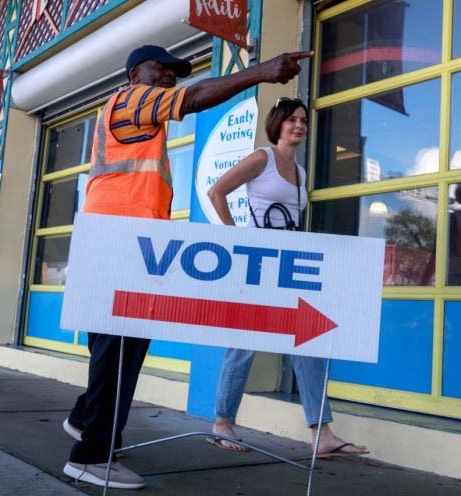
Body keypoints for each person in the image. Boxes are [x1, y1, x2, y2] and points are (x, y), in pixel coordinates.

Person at [60, 45, 313, 489]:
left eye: (173, 75)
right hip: (122, 239)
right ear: (136, 69)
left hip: (118, 237)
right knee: (120, 351)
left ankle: (86, 420)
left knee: (112, 349)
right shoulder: (132, 96)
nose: (168, 80)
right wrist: (262, 72)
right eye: (162, 70)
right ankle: (90, 456)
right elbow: (193, 99)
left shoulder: (127, 113)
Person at [205, 98, 368, 458]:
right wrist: (237, 240)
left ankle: (321, 433)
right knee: (243, 343)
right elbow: (216, 192)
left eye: (303, 121)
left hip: (289, 265)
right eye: (292, 119)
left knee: (307, 342)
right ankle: (222, 424)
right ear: (277, 124)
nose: (299, 125)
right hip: (258, 262)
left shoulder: (300, 172)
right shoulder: (262, 158)